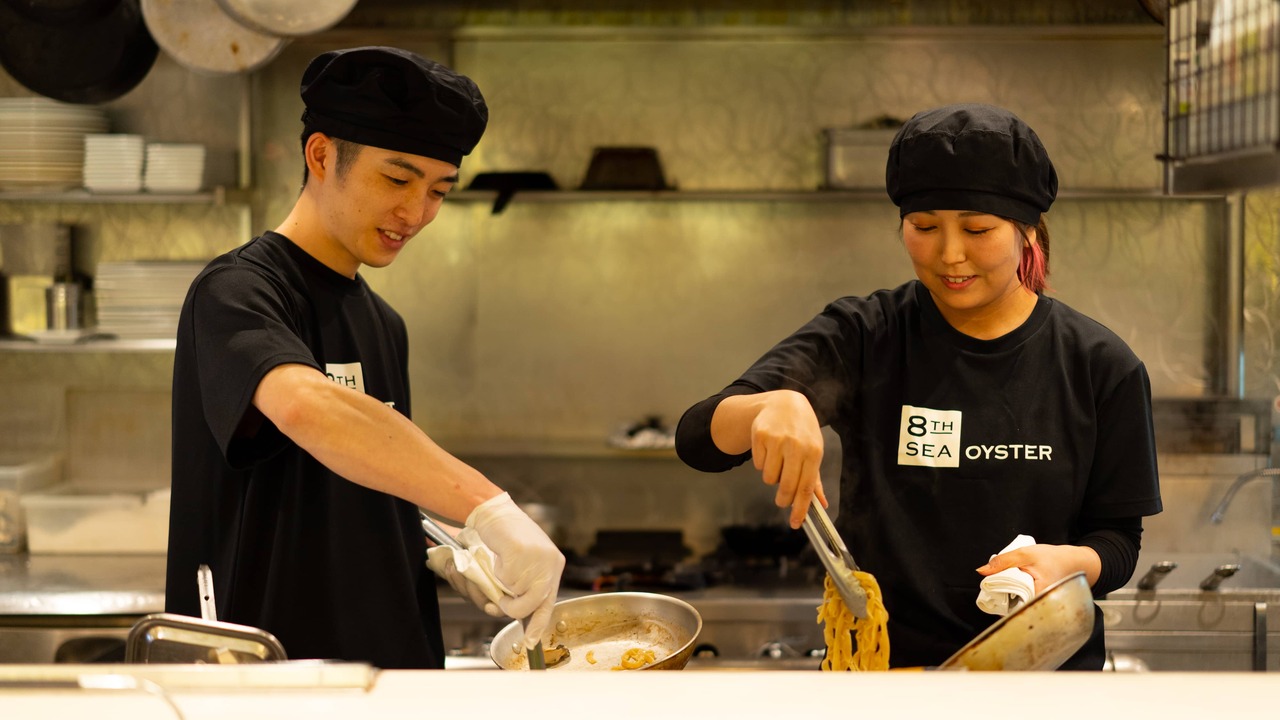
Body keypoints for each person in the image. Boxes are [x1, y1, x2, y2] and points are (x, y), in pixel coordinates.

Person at [674, 103, 1162, 670]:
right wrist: (768, 405)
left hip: (1042, 681)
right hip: (885, 684)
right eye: (925, 227)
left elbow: (1119, 542)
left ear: (1028, 230)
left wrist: (1069, 564)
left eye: (977, 229)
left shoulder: (1100, 365)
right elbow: (698, 440)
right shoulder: (865, 335)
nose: (950, 254)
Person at [165, 46, 564, 670]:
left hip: (391, 675)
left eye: (439, 190)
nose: (417, 213)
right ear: (321, 155)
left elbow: (351, 477)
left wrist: (442, 544)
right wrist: (487, 508)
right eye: (397, 179)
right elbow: (307, 407)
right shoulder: (238, 292)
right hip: (269, 679)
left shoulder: (383, 324)